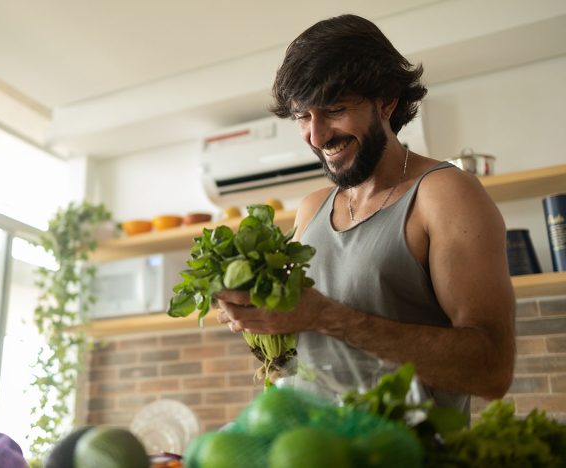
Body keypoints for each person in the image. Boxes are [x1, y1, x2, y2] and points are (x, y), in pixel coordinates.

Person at [216, 14, 515, 414]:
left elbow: (491, 370)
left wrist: (326, 316)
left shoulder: (444, 194)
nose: (317, 136)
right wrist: (260, 319)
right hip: (309, 449)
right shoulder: (312, 208)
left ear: (386, 100)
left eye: (334, 109)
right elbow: (302, 354)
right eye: (303, 116)